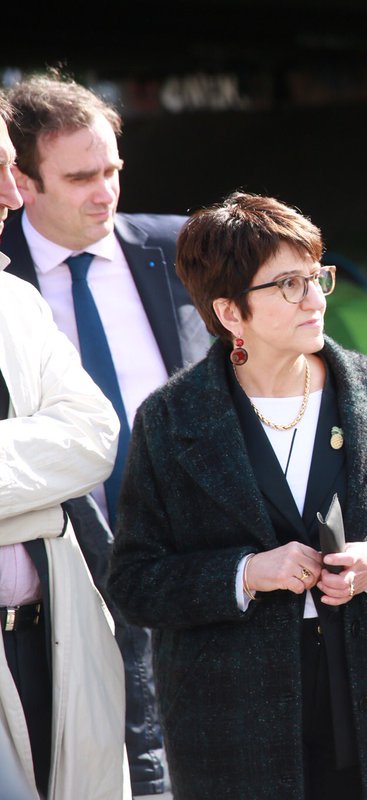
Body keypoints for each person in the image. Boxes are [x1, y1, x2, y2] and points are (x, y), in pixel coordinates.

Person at [106, 193, 367, 800]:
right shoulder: (171, 420)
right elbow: (136, 583)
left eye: (317, 276)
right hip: (232, 725)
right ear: (230, 312)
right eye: (288, 285)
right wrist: (245, 573)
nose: (315, 299)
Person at [0, 72, 208, 798]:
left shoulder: (182, 251)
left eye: (113, 169)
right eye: (81, 176)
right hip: (63, 574)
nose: (105, 191)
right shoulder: (7, 284)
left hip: (192, 556)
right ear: (21, 179)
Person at [0, 97, 130, 800]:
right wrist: (38, 502)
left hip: (59, 632)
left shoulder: (15, 303)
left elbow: (93, 438)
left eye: (12, 169)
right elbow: (64, 452)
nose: (11, 193)